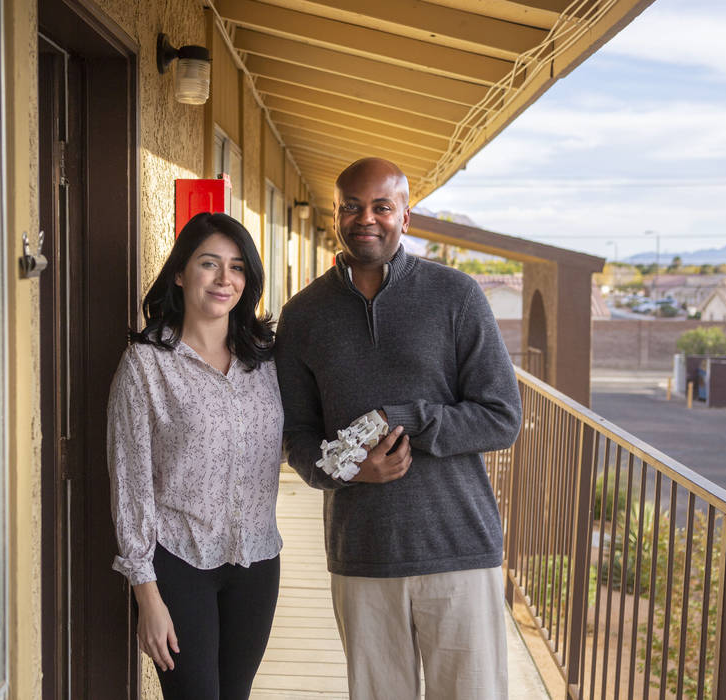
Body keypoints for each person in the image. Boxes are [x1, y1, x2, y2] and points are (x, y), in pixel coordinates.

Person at [274, 158, 522, 699]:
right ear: (335, 215)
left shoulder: (456, 296)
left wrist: (406, 417)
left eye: (382, 206)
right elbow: (296, 435)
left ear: (404, 217)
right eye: (353, 207)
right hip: (362, 553)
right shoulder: (303, 315)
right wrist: (348, 471)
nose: (368, 218)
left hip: (459, 547)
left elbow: (503, 416)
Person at [107, 212, 283, 700]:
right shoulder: (145, 365)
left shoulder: (266, 360)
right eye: (210, 264)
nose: (225, 279)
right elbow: (130, 483)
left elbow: (289, 442)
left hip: (257, 561)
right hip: (179, 565)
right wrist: (147, 594)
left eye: (238, 267)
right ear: (181, 273)